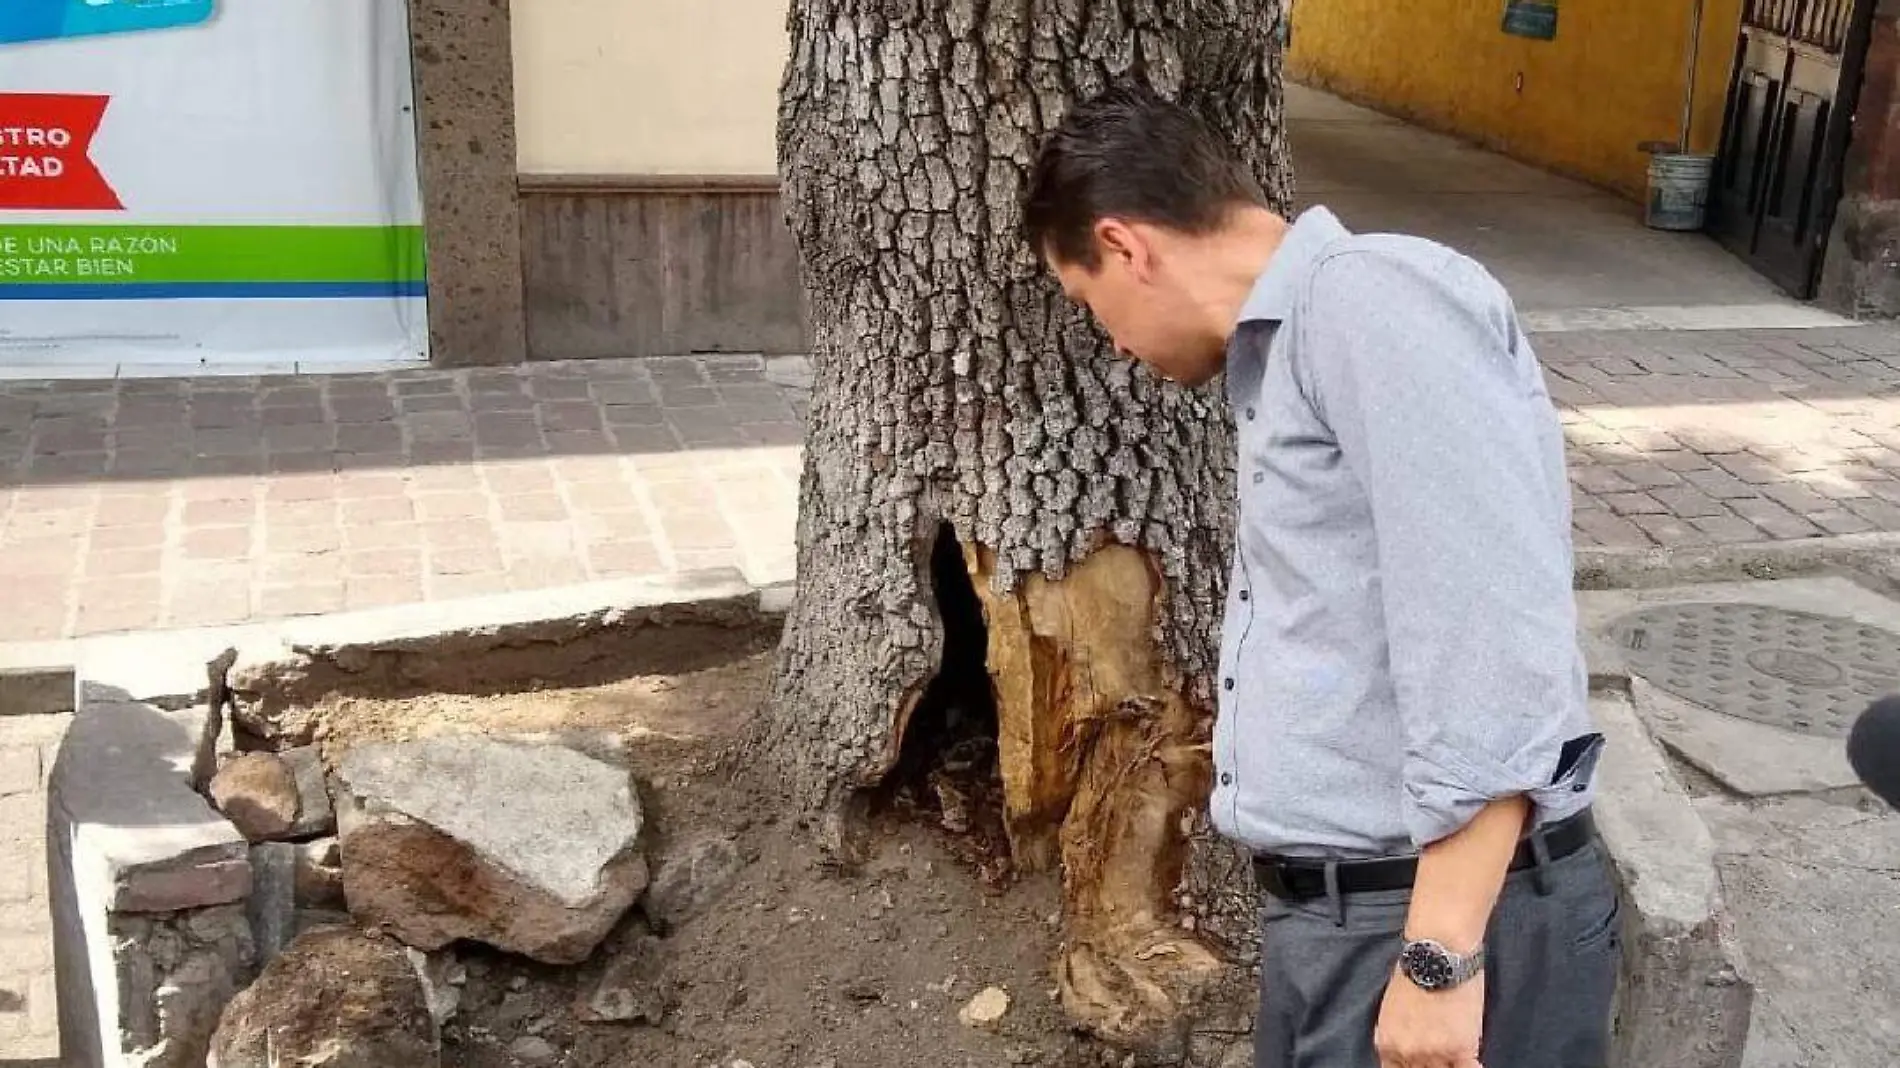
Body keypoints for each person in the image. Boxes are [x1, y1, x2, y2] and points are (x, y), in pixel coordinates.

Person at [1022, 84, 1618, 1068]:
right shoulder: (1294, 343)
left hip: (1429, 919)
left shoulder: (1366, 299)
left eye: (1093, 307)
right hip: (1350, 920)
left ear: (1126, 246)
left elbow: (1489, 629)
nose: (1115, 346)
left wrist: (1438, 958)